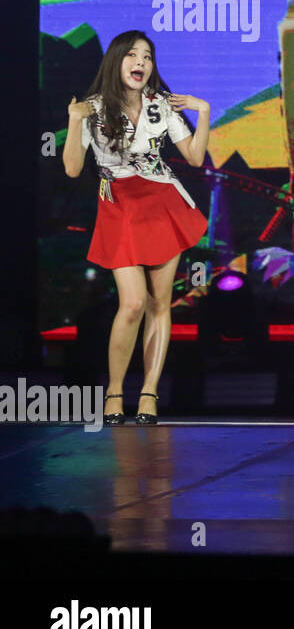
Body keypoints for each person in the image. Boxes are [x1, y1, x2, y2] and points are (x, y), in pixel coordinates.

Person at [62, 31, 210, 425]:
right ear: (117, 61)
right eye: (132, 55)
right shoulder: (92, 108)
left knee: (161, 303)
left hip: (162, 204)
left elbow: (195, 158)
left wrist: (204, 110)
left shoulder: (160, 105)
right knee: (133, 303)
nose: (141, 62)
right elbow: (74, 168)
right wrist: (74, 122)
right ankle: (114, 392)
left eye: (147, 56)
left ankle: (148, 394)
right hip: (119, 207)